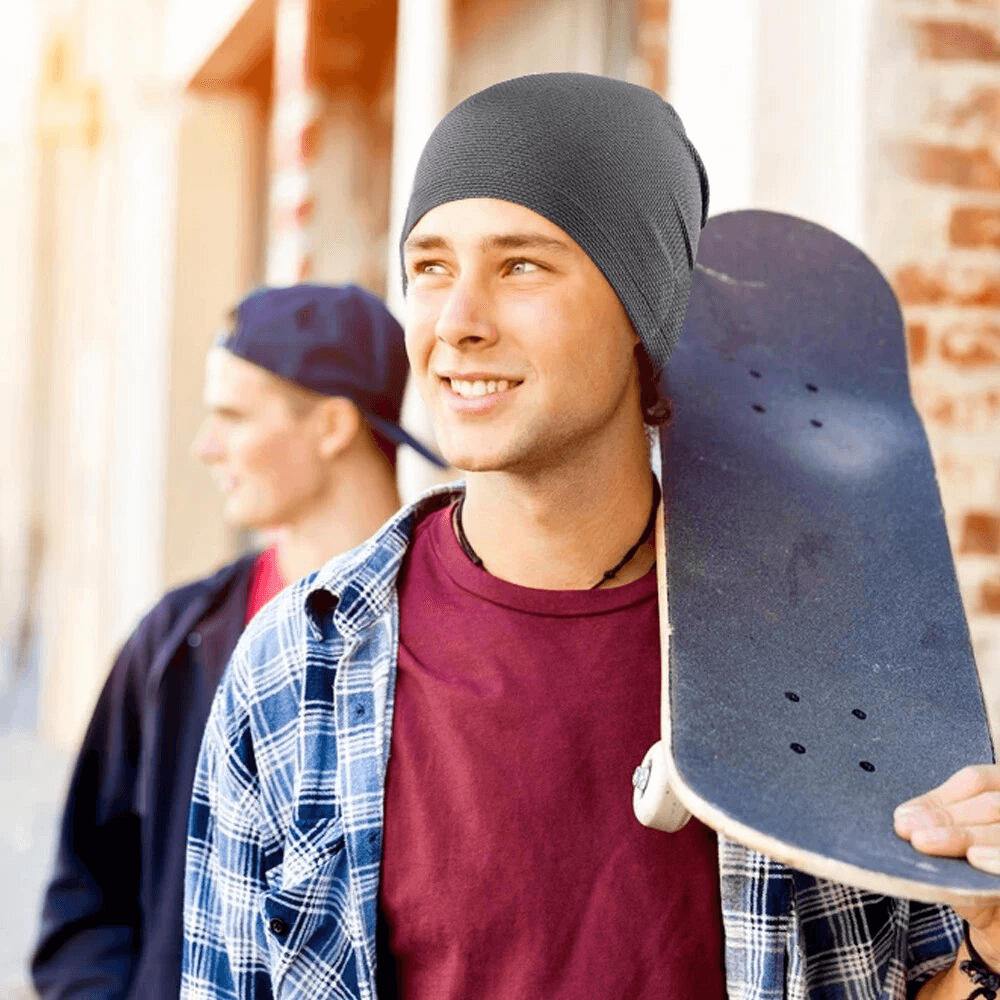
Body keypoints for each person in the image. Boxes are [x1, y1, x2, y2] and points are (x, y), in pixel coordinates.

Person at [181, 75, 1000, 1000]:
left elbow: (930, 977)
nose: (456, 323)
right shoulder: (300, 662)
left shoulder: (832, 648)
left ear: (642, 313)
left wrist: (994, 953)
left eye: (521, 265)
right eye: (432, 267)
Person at [31, 283, 442, 1000]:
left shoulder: (448, 635)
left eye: (232, 416)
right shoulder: (176, 639)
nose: (204, 446)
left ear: (332, 426)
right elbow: (85, 899)